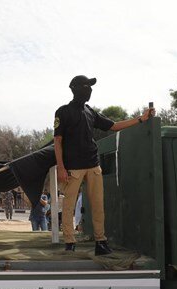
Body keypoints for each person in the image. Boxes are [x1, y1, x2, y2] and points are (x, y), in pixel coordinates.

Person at [54, 75, 154, 255]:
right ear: (76, 88)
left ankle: (101, 242)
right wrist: (61, 167)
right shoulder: (63, 112)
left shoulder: (90, 111)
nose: (90, 90)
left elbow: (114, 126)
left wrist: (141, 119)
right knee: (68, 205)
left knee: (98, 205)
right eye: (87, 86)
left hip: (93, 164)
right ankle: (69, 242)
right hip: (73, 168)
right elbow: (57, 141)